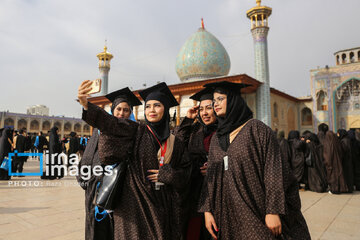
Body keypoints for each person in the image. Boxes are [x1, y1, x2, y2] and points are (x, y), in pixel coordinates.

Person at [78, 81, 192, 240]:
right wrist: (86, 105)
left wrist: (169, 175)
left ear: (165, 109)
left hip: (162, 209)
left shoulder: (176, 142)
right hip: (132, 209)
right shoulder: (135, 131)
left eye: (157, 105)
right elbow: (111, 123)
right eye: (148, 106)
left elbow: (186, 173)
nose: (151, 110)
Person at [198, 81, 310, 240]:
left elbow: (273, 170)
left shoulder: (256, 129)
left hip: (256, 210)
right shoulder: (217, 138)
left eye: (221, 99)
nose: (216, 104)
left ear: (234, 100)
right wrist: (208, 211)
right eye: (214, 101)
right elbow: (210, 177)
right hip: (227, 215)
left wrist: (273, 210)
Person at [76, 87, 142, 240]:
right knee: (96, 230)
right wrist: (84, 178)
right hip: (97, 187)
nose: (122, 113)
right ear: (113, 111)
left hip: (122, 190)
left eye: (126, 110)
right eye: (118, 109)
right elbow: (87, 157)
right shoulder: (100, 131)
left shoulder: (135, 131)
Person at [173, 87, 216, 240]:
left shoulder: (226, 132)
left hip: (217, 193)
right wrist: (188, 119)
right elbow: (177, 143)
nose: (204, 113)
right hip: (194, 193)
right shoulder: (195, 130)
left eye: (209, 108)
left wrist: (214, 167)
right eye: (201, 109)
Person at [318, 124, 348, 194]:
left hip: (331, 164)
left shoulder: (328, 144)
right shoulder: (337, 143)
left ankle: (334, 189)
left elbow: (327, 155)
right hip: (337, 163)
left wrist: (326, 162)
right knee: (338, 175)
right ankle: (339, 188)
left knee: (332, 176)